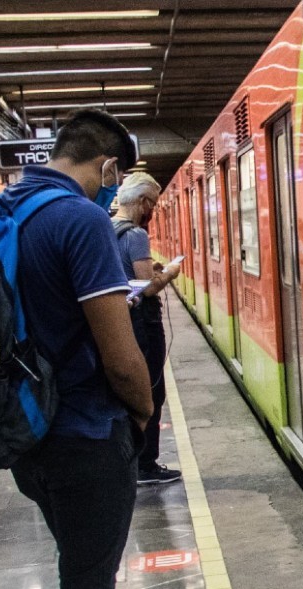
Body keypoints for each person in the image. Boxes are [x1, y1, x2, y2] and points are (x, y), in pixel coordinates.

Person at [5, 109, 176, 589]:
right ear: (107, 167)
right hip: (84, 428)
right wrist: (140, 410)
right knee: (85, 587)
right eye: (116, 174)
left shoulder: (5, 211)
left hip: (30, 432)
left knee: (83, 567)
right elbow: (118, 350)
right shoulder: (79, 218)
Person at [111, 172, 182, 486]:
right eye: (152, 203)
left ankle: (128, 460)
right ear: (142, 202)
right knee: (152, 390)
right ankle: (145, 465)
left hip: (123, 318)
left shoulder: (108, 227)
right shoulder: (136, 234)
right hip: (143, 321)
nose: (152, 209)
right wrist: (169, 272)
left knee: (131, 391)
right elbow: (148, 287)